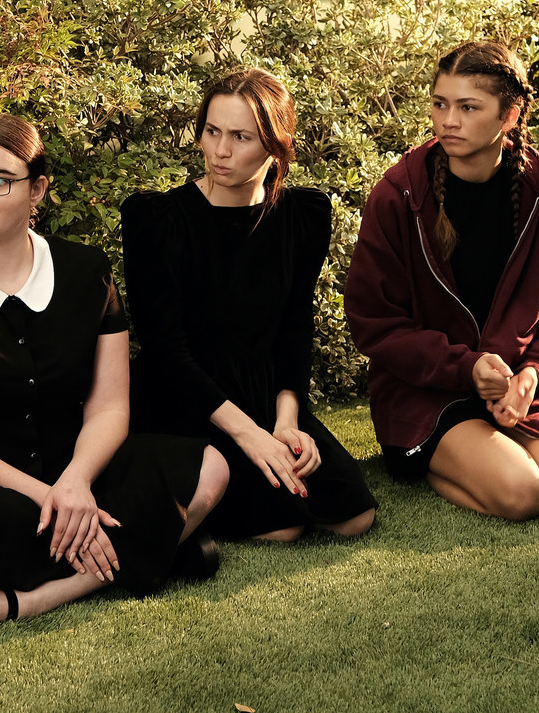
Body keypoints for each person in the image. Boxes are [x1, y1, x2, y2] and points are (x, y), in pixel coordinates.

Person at [0, 113, 228, 674]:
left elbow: (109, 406)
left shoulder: (87, 269)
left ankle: (24, 599)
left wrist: (77, 482)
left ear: (37, 189)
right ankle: (142, 552)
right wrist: (48, 498)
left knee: (210, 469)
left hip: (71, 467)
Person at [344, 40, 539, 521]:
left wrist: (533, 374)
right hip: (426, 392)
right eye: (440, 104)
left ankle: (496, 445)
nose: (448, 120)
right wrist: (466, 369)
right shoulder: (399, 193)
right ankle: (423, 459)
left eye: (468, 107)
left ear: (509, 116)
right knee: (522, 494)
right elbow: (373, 321)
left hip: (517, 386)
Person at [121, 69, 377, 543]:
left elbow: (295, 328)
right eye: (212, 131)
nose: (220, 150)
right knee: (283, 528)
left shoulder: (302, 217)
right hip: (186, 397)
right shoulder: (158, 221)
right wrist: (248, 434)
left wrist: (285, 423)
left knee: (353, 516)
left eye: (240, 137)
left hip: (263, 392)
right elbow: (165, 350)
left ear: (276, 145)